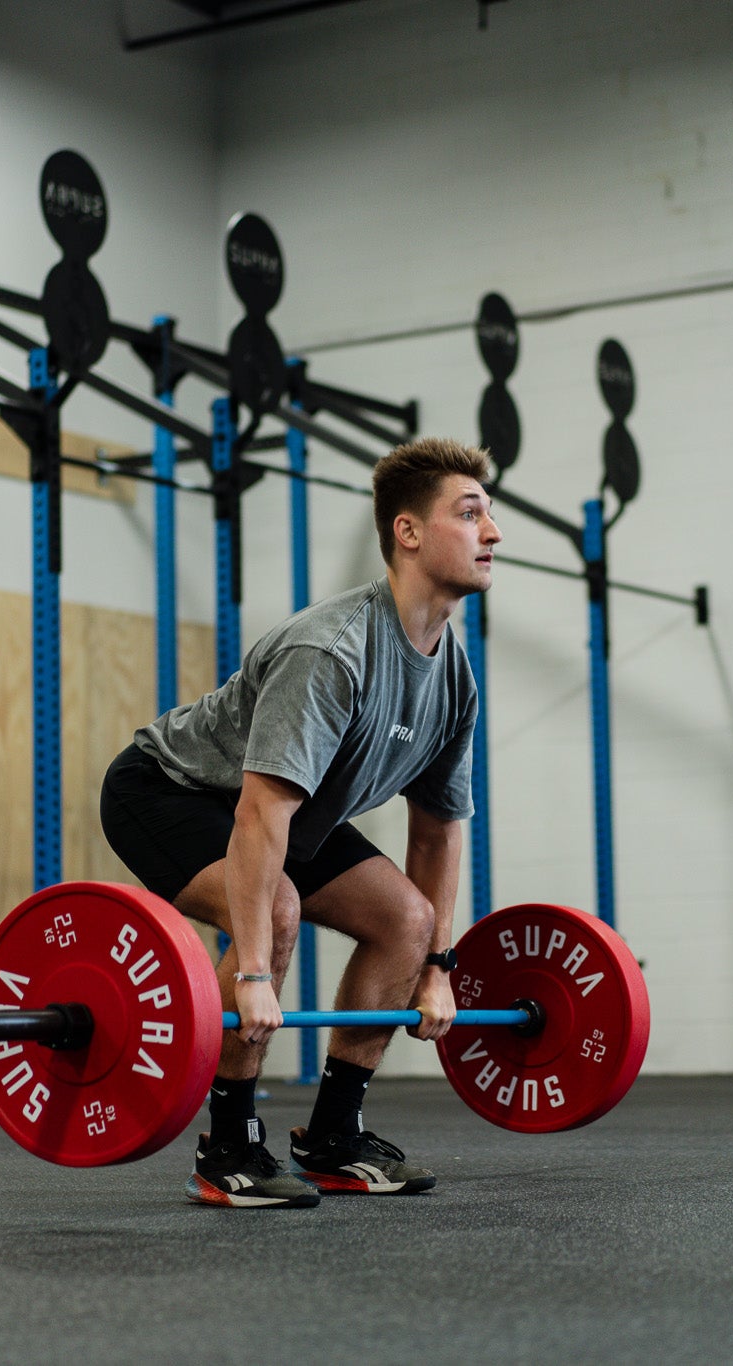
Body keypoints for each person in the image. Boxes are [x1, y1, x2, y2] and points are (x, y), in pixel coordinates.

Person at [100, 436, 501, 1208]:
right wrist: (251, 971)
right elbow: (258, 813)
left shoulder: (451, 676)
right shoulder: (335, 650)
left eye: (491, 517)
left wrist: (438, 964)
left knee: (406, 920)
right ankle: (229, 1142)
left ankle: (333, 1135)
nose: (493, 534)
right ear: (407, 533)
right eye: (471, 513)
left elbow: (438, 828)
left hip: (286, 818)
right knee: (272, 909)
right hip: (171, 790)